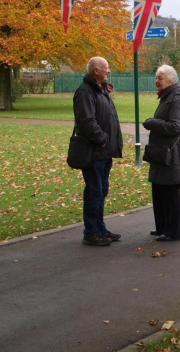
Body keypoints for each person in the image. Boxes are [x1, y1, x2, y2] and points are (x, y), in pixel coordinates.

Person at [73, 57, 122, 246]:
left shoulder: (101, 90)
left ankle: (100, 228)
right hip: (94, 152)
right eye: (106, 68)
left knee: (101, 191)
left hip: (104, 152)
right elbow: (87, 121)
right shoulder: (85, 92)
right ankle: (91, 232)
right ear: (96, 71)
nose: (108, 71)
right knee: (94, 191)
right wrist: (101, 140)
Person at [143, 65, 180, 242]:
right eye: (156, 77)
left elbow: (177, 126)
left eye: (160, 78)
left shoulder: (176, 99)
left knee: (169, 192)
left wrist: (152, 123)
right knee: (159, 189)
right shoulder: (167, 97)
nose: (156, 81)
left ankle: (173, 231)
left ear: (171, 81)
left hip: (174, 153)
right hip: (163, 152)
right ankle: (162, 227)